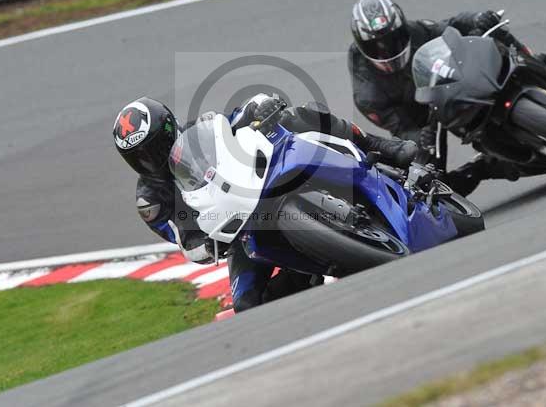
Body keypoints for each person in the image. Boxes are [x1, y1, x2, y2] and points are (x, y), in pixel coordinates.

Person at [113, 94, 418, 313]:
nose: (150, 160)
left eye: (154, 147)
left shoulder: (199, 130)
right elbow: (182, 237)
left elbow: (235, 119)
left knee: (299, 115)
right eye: (140, 156)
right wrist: (202, 246)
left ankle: (380, 147)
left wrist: (258, 108)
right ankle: (317, 312)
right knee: (247, 304)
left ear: (170, 128)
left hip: (263, 182)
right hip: (237, 233)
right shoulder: (151, 199)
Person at [347, 0, 546, 196]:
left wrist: (477, 19)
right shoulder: (368, 96)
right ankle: (484, 167)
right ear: (361, 45)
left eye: (393, 38)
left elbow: (451, 27)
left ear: (402, 28)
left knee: (491, 30)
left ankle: (543, 63)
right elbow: (403, 130)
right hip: (426, 121)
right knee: (432, 185)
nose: (387, 49)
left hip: (451, 85)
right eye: (376, 47)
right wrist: (419, 139)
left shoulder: (417, 31)